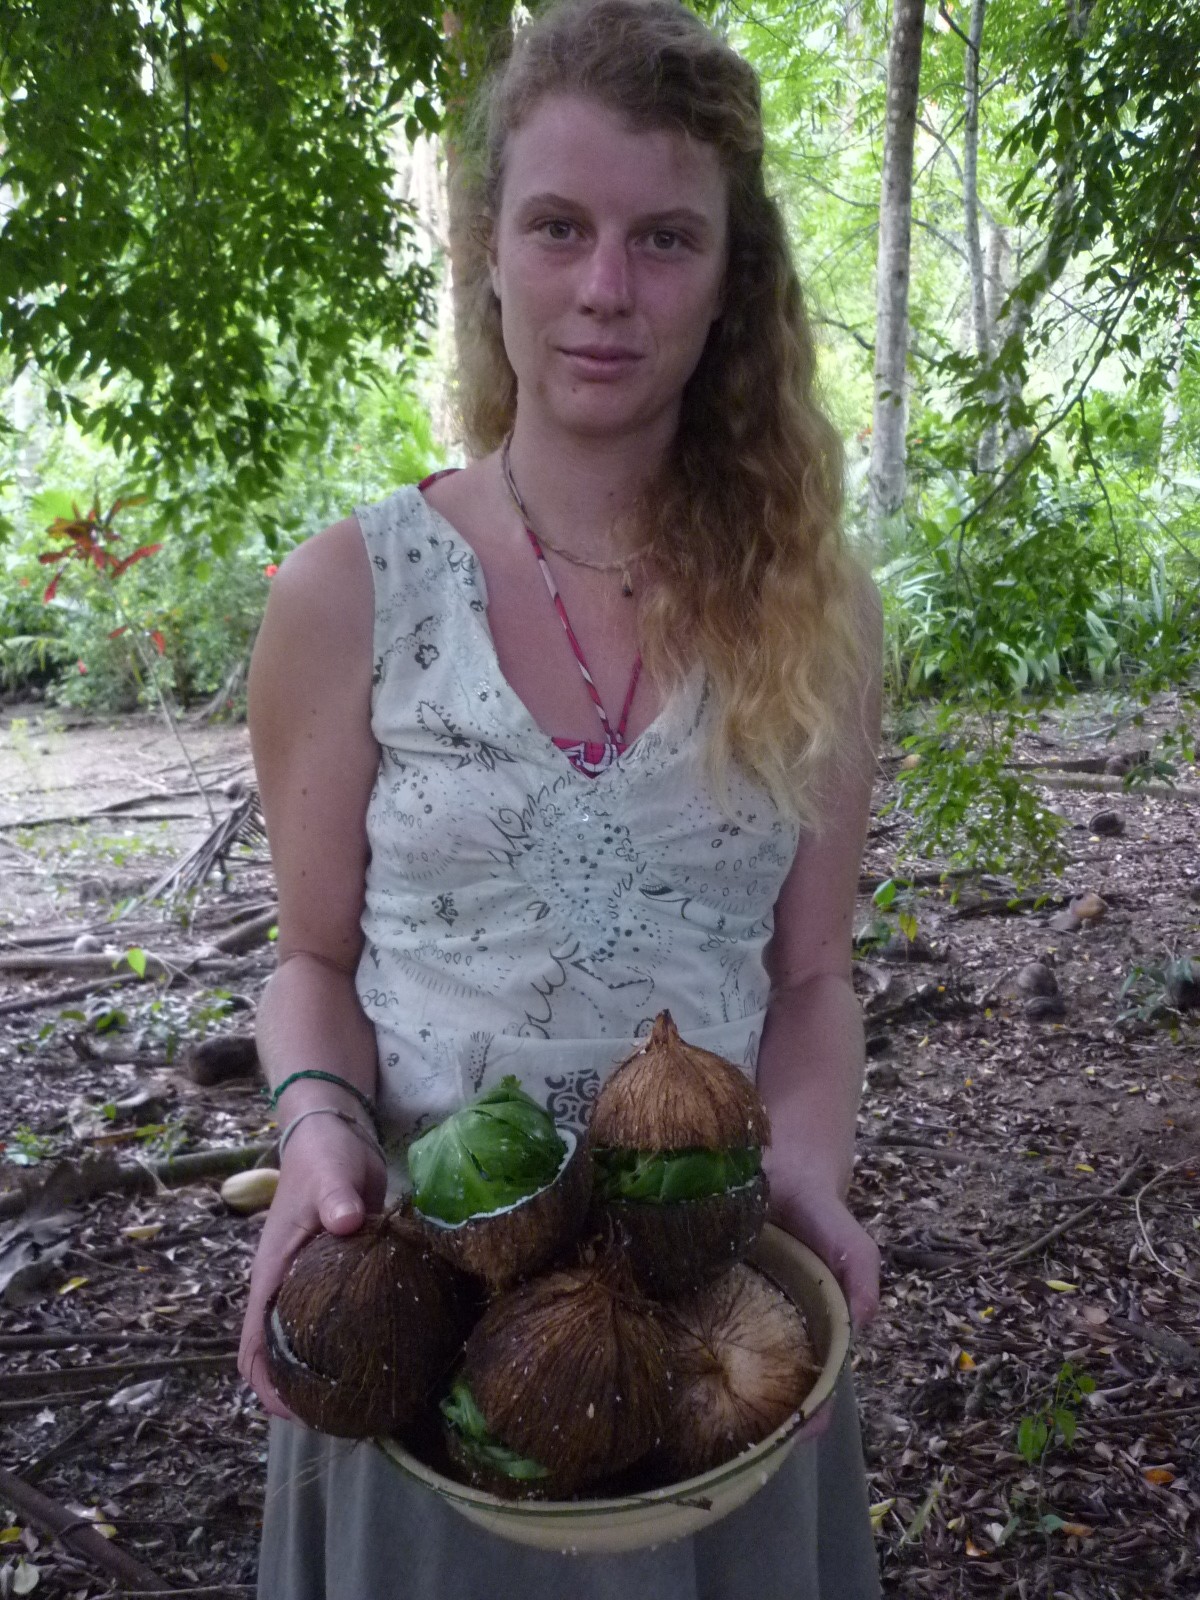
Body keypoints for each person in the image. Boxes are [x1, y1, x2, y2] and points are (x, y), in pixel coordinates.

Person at [239, 1, 883, 1595]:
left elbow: (809, 979)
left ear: (734, 281)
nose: (607, 289)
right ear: (490, 252)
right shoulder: (350, 589)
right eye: (560, 227)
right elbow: (309, 965)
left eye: (666, 238)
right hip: (426, 1331)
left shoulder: (818, 612)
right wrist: (317, 1143)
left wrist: (811, 1173)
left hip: (716, 1336)